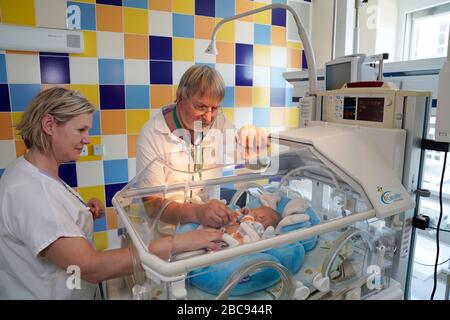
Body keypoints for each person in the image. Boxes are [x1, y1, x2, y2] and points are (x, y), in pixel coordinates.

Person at [0, 88, 137, 299]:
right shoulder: (28, 190)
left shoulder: (33, 171)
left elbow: (48, 223)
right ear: (49, 125)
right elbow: (91, 268)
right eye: (81, 130)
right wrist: (163, 250)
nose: (87, 139)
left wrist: (82, 213)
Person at [136, 65, 269, 228]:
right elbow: (152, 206)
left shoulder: (219, 122)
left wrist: (256, 143)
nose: (208, 117)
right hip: (165, 233)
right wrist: (197, 212)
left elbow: (252, 162)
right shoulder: (153, 134)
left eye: (215, 108)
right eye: (201, 107)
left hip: (206, 226)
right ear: (180, 97)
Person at [148, 205, 281, 260]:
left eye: (257, 212)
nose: (252, 212)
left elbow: (248, 221)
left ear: (263, 219)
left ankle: (184, 259)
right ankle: (181, 258)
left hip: (233, 243)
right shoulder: (241, 221)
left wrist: (248, 215)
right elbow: (234, 218)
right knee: (200, 250)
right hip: (220, 237)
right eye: (254, 210)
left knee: (211, 253)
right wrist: (239, 213)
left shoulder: (256, 227)